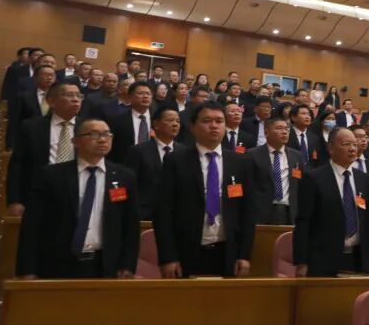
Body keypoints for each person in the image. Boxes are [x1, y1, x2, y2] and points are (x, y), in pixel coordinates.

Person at [16, 118, 140, 279]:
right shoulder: (51, 175)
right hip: (57, 263)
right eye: (93, 134)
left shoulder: (124, 176)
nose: (102, 139)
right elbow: (32, 224)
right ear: (75, 141)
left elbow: (130, 225)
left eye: (107, 134)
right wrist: (27, 269)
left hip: (106, 264)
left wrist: (128, 265)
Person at [153, 102, 257, 279]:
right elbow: (163, 212)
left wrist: (244, 255)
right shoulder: (175, 161)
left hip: (228, 253)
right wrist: (168, 257)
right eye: (207, 121)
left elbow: (247, 213)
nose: (214, 126)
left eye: (219, 121)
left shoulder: (241, 162)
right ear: (192, 126)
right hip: (186, 252)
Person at [293, 127, 369, 276]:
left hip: (357, 259)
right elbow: (303, 222)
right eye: (346, 144)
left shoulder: (364, 179)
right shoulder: (314, 178)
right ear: (330, 148)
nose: (352, 149)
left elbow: (367, 222)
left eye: (354, 144)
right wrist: (301, 261)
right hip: (322, 259)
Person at [6, 81, 84, 216]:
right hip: (38, 195)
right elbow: (17, 164)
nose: (75, 99)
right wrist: (14, 200)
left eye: (78, 95)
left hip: (77, 196)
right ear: (51, 101)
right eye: (69, 95)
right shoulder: (31, 127)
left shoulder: (87, 127)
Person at [124, 106, 185, 221]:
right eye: (170, 120)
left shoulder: (184, 152)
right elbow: (130, 185)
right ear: (156, 124)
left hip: (176, 215)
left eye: (178, 121)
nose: (175, 124)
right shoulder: (138, 151)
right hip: (145, 214)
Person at [248, 117, 306, 226]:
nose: (284, 132)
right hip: (261, 212)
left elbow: (302, 184)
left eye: (286, 128)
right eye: (279, 128)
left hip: (290, 211)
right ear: (266, 132)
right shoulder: (252, 155)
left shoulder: (296, 156)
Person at [106, 81, 153, 163]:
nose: (145, 96)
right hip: (125, 164)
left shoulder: (158, 119)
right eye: (140, 93)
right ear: (130, 97)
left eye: (148, 94)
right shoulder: (117, 120)